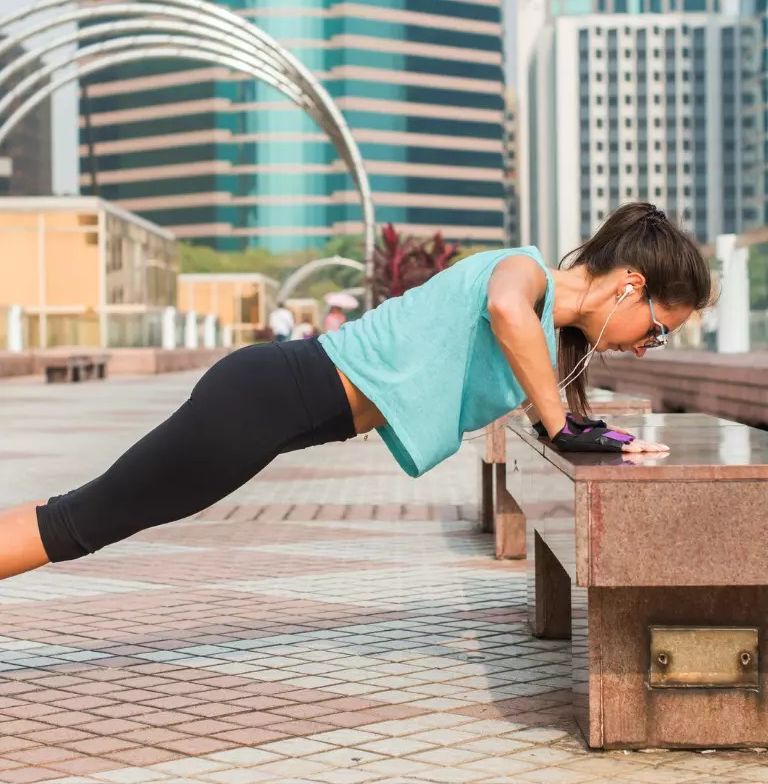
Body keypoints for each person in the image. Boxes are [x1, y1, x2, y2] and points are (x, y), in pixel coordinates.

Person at [0, 202, 711, 580]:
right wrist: (564, 428)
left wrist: (607, 442)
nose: (649, 345)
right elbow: (503, 312)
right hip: (265, 396)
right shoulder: (522, 272)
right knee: (82, 522)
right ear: (631, 286)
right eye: (659, 328)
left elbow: (547, 392)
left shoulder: (550, 341)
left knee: (85, 517)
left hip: (275, 407)